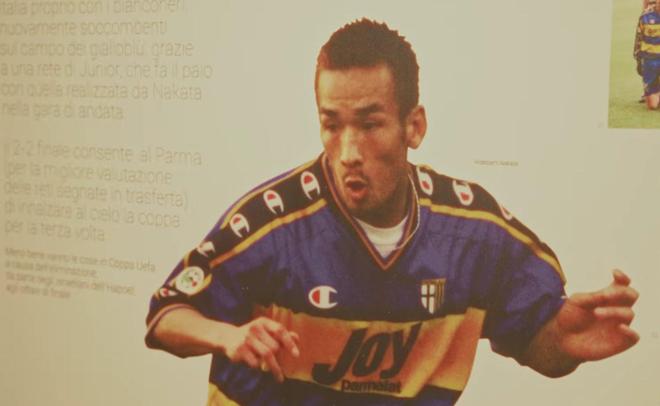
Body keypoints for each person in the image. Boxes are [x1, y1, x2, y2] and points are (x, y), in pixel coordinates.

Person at [146, 19, 639, 405]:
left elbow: (539, 346)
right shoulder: (273, 224)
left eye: (369, 124)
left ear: (414, 126)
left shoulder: (474, 235)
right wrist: (228, 336)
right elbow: (166, 315)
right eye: (331, 125)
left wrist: (562, 341)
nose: (348, 152)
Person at [635, 0, 660, 109]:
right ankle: (651, 91)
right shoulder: (646, 16)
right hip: (650, 57)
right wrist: (638, 58)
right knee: (652, 106)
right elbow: (639, 38)